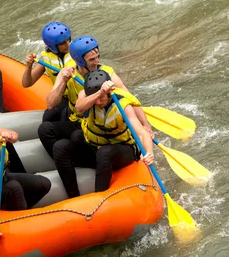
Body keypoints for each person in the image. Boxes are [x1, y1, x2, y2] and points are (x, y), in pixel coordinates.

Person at [52, 70, 155, 198]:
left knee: (104, 152)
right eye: (97, 98)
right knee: (60, 146)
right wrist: (99, 93)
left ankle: (100, 197)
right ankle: (73, 195)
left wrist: (149, 152)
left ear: (110, 94)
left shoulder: (123, 105)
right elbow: (79, 107)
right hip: (96, 148)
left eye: (102, 98)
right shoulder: (88, 98)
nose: (99, 102)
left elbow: (142, 133)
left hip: (122, 151)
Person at [22, 22, 74, 122]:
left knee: (64, 117)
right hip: (61, 97)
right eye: (63, 43)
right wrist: (29, 66)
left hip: (77, 97)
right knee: (48, 117)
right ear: (53, 46)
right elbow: (27, 83)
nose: (68, 44)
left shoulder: (76, 52)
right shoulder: (46, 58)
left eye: (68, 40)